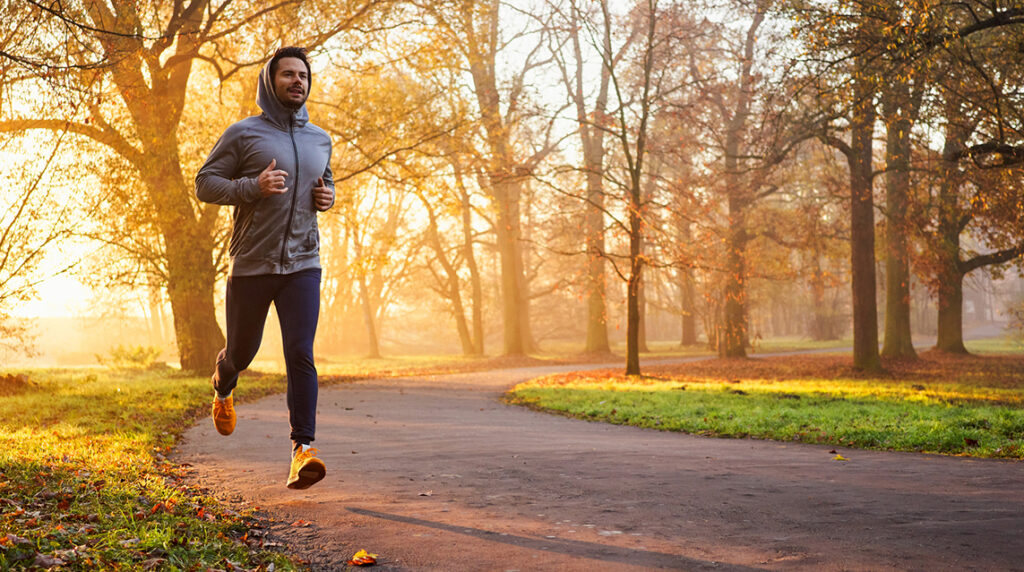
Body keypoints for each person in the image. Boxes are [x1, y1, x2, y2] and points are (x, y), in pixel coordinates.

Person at [195, 46, 334, 490]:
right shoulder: (244, 134)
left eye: (303, 76)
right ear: (270, 82)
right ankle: (223, 384)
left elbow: (324, 181)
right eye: (288, 75)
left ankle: (302, 450)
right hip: (252, 263)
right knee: (242, 351)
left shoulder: (320, 139)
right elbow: (205, 183)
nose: (298, 81)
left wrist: (328, 196)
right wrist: (251, 187)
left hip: (303, 264)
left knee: (300, 351)